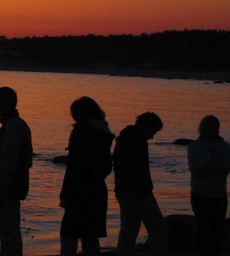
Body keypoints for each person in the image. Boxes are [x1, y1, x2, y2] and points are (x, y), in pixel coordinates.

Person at [59, 97, 115, 256]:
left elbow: (73, 168)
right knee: (90, 236)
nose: (73, 117)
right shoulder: (104, 132)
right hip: (97, 190)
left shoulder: (81, 132)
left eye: (74, 114)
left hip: (78, 191)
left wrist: (65, 195)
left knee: (69, 234)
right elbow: (106, 167)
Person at [0, 87, 33, 256]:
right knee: (9, 233)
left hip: (8, 190)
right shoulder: (16, 124)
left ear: (6, 104)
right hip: (11, 188)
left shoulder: (12, 127)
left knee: (8, 234)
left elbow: (8, 163)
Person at [113, 112, 167, 256]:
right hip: (138, 191)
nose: (152, 136)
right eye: (153, 131)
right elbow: (140, 169)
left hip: (122, 190)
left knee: (128, 230)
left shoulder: (123, 138)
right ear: (147, 126)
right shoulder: (138, 141)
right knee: (157, 227)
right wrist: (147, 189)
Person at [187, 115, 230, 256]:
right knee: (203, 230)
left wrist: (217, 162)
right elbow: (195, 170)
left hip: (219, 194)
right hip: (200, 193)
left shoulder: (224, 146)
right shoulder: (194, 146)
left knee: (217, 231)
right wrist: (210, 161)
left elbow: (225, 171)